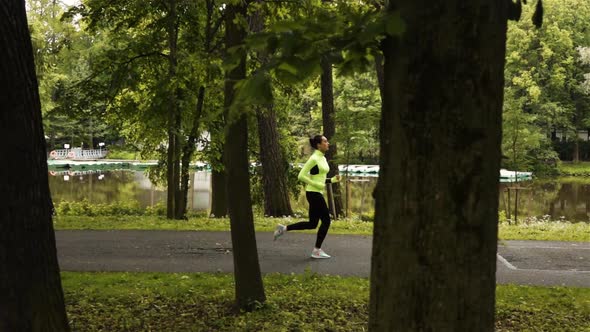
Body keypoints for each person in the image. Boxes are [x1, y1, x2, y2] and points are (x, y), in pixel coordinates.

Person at [273, 135, 341, 259]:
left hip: (316, 193)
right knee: (326, 220)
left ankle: (283, 229)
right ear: (319, 145)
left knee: (312, 224)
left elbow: (319, 178)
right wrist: (315, 184)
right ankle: (317, 250)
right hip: (313, 193)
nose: (328, 143)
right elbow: (301, 175)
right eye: (325, 141)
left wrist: (332, 180)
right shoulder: (314, 158)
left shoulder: (323, 158)